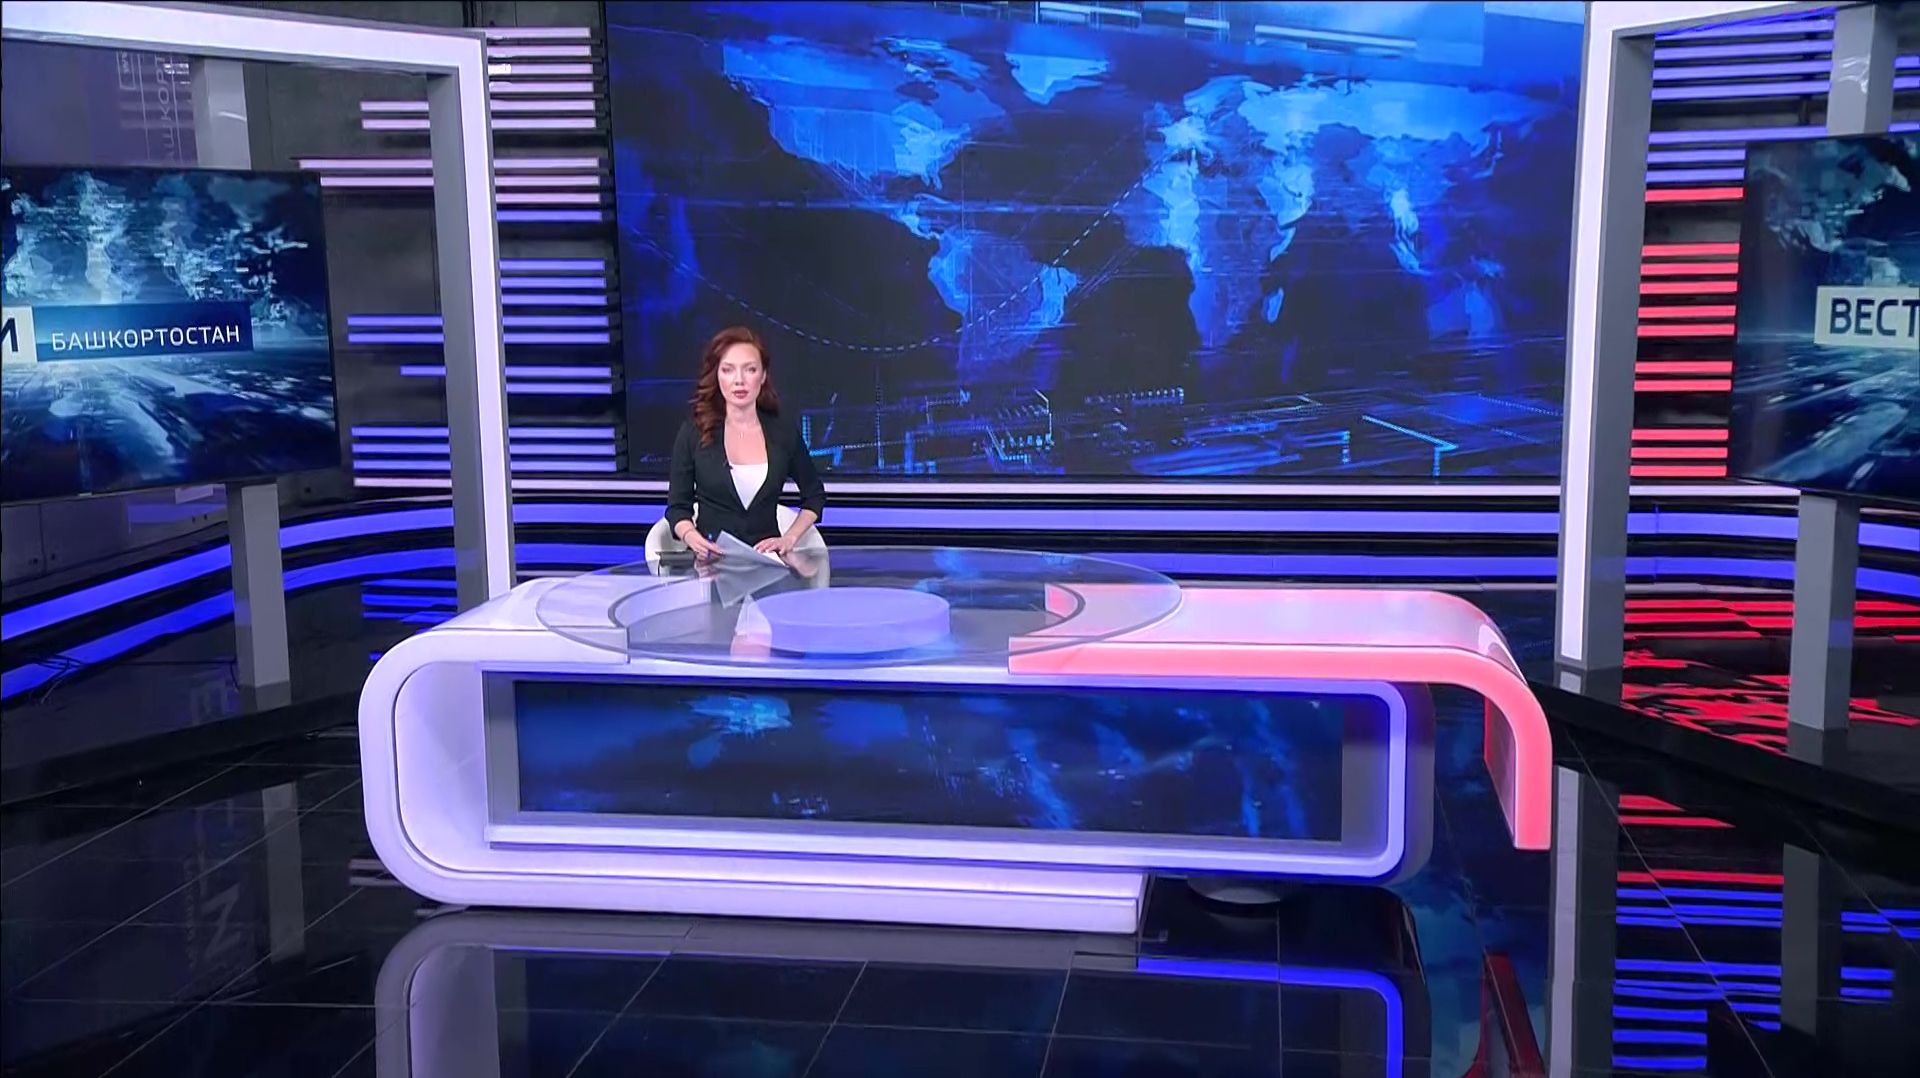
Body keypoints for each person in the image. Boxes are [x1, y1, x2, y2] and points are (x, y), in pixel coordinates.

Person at [665, 326, 825, 561]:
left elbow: (815, 496)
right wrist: (691, 537)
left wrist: (789, 538)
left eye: (750, 369)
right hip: (711, 565)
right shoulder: (694, 433)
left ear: (763, 376)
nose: (739, 380)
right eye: (728, 370)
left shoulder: (782, 432)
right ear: (717, 375)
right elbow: (677, 508)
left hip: (768, 565)